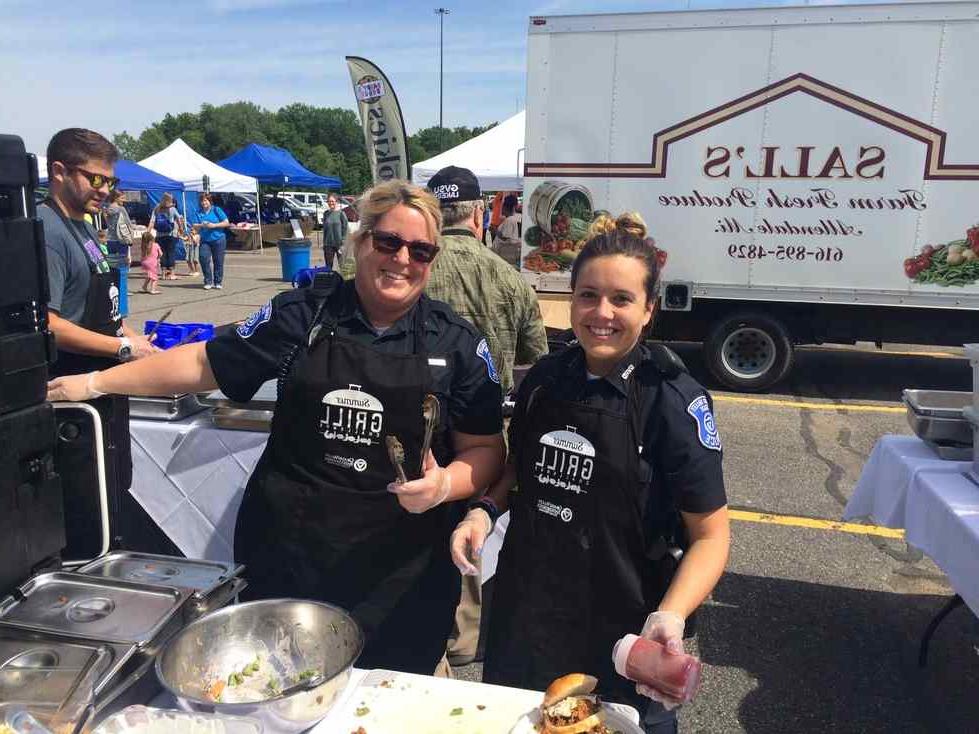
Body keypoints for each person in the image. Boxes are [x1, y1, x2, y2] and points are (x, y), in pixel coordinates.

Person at [47, 179, 507, 676]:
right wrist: (96, 382)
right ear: (361, 241)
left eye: (420, 250)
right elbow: (205, 363)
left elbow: (485, 449)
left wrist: (444, 486)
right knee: (276, 684)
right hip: (292, 555)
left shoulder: (457, 342)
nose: (402, 259)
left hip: (400, 574)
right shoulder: (304, 313)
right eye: (389, 242)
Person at [450, 212, 730, 733]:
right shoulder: (546, 377)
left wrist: (668, 618)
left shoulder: (673, 400)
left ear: (648, 310)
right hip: (527, 616)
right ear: (570, 299)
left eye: (621, 299)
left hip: (625, 633)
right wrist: (485, 511)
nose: (602, 313)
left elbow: (711, 536)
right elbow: (519, 466)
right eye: (587, 295)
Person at [425, 166, 549, 667]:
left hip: (419, 425)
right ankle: (464, 635)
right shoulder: (508, 276)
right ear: (479, 213)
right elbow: (534, 357)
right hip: (484, 427)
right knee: (475, 527)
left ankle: (420, 622)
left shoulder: (413, 265)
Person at [39, 128, 159, 555]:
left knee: (114, 485)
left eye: (112, 182)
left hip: (106, 385)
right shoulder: (47, 230)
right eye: (97, 179)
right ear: (58, 170)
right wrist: (123, 349)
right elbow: (48, 322)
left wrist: (132, 335)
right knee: (88, 504)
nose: (106, 191)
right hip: (73, 387)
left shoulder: (85, 227)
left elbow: (104, 304)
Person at [191, 192, 230, 290]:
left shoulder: (217, 210)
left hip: (219, 239)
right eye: (202, 201)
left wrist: (214, 225)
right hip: (205, 240)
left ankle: (218, 282)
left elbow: (226, 223)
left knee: (218, 261)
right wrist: (199, 229)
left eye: (205, 200)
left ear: (210, 201)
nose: (204, 203)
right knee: (203, 258)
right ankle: (208, 281)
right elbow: (195, 226)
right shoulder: (198, 212)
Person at [149, 193, 183, 280]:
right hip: (170, 234)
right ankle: (172, 273)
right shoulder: (172, 209)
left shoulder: (157, 208)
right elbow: (179, 219)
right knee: (171, 252)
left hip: (159, 235)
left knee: (162, 254)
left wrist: (148, 231)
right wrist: (181, 229)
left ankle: (163, 274)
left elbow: (152, 221)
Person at [104, 189, 134, 266]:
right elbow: (128, 224)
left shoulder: (107, 209)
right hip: (121, 239)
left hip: (110, 239)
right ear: (116, 198)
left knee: (112, 263)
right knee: (122, 263)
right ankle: (122, 278)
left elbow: (106, 223)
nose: (124, 200)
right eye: (122, 198)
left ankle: (112, 278)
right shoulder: (121, 209)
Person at [492, 193, 522, 268]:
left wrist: (495, 231)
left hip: (506, 258)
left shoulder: (510, 220)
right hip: (506, 258)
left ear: (505, 208)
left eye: (502, 207)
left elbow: (505, 237)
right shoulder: (511, 219)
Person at [322, 193, 349, 269]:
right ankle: (330, 280)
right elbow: (325, 230)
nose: (331, 203)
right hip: (328, 244)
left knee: (342, 265)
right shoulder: (326, 214)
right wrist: (324, 244)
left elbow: (345, 229)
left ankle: (343, 280)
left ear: (336, 201)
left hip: (339, 244)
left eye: (332, 201)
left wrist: (343, 243)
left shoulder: (341, 214)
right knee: (328, 266)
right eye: (329, 201)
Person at [139, 230, 162, 295]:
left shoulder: (143, 246)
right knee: (154, 277)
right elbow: (161, 253)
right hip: (152, 263)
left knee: (149, 275)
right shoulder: (155, 245)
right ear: (152, 238)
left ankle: (144, 286)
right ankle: (153, 289)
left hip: (144, 262)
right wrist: (158, 257)